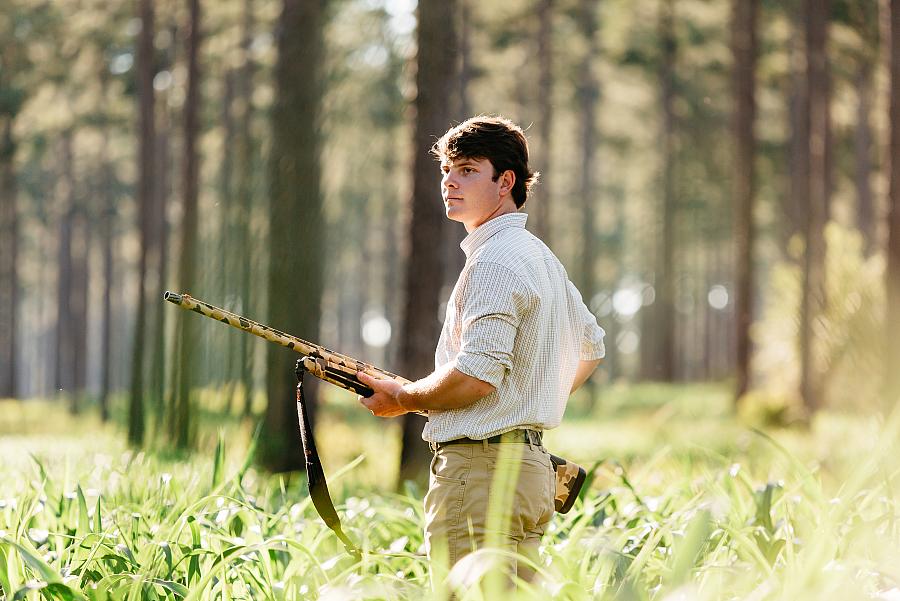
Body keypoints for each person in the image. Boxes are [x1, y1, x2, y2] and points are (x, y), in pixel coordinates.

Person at [357, 115, 605, 583]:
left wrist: (404, 397)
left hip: (480, 476)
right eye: (447, 170)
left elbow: (476, 376)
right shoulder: (539, 257)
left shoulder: (493, 262)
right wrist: (527, 401)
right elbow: (591, 346)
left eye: (468, 169)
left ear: (505, 181)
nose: (449, 181)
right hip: (529, 475)